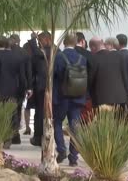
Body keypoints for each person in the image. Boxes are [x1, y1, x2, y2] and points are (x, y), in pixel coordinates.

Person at [53, 33, 87, 167]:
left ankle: (61, 149)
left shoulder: (58, 57)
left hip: (61, 97)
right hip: (77, 97)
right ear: (76, 42)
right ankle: (73, 157)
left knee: (57, 122)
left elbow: (53, 75)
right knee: (75, 127)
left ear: (64, 42)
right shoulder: (82, 58)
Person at [0, 36, 28, 147]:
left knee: (0, 113)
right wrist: (25, 88)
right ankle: (11, 135)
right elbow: (22, 75)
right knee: (12, 113)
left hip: (0, 88)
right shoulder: (16, 57)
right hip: (14, 88)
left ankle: (2, 136)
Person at [88, 38, 128, 108]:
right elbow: (125, 76)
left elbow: (90, 80)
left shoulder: (93, 58)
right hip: (121, 97)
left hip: (102, 99)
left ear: (93, 47)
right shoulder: (118, 56)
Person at [29, 32, 52, 146]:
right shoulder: (43, 53)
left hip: (44, 87)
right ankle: (39, 136)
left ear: (47, 40)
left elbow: (38, 53)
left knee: (41, 112)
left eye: (40, 40)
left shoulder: (50, 51)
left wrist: (33, 40)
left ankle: (40, 136)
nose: (39, 43)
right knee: (39, 112)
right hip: (42, 87)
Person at [10, 34, 33, 136]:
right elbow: (29, 71)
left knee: (9, 109)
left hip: (9, 84)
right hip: (21, 85)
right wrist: (29, 87)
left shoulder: (8, 52)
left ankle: (11, 132)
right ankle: (16, 134)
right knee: (18, 108)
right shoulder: (25, 53)